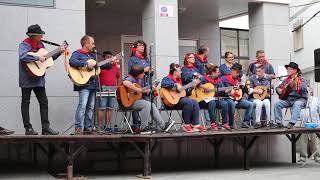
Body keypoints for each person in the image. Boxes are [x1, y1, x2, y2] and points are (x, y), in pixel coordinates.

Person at [18, 24, 63, 135]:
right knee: (26, 102)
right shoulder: (24, 44)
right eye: (40, 35)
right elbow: (23, 56)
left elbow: (47, 59)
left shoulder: (41, 44)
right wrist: (38, 57)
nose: (41, 37)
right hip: (26, 79)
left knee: (44, 103)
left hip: (39, 80)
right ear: (33, 36)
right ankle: (28, 128)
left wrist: (59, 52)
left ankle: (45, 128)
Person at [122, 64, 174, 133]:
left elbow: (139, 91)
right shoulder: (130, 77)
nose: (144, 74)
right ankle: (143, 127)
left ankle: (163, 126)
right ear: (137, 74)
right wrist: (138, 89)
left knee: (152, 105)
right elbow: (125, 82)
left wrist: (149, 89)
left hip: (133, 101)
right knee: (147, 104)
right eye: (142, 73)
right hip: (126, 102)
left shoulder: (138, 80)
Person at [161, 63, 205, 133]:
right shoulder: (167, 78)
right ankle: (186, 124)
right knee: (188, 102)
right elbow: (163, 84)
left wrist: (191, 87)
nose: (181, 72)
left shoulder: (180, 80)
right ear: (175, 71)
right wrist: (175, 85)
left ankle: (195, 124)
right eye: (179, 71)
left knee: (195, 101)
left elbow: (186, 93)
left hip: (179, 100)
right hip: (171, 102)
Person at [69, 35, 97, 135]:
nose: (94, 45)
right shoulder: (77, 53)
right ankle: (78, 128)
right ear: (86, 44)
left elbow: (98, 66)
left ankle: (87, 128)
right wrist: (85, 64)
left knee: (90, 107)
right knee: (82, 106)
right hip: (84, 84)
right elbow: (72, 61)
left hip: (93, 84)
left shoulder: (93, 55)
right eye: (92, 43)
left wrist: (110, 62)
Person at [274, 62, 308, 129]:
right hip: (288, 100)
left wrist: (295, 84)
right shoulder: (286, 80)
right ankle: (279, 123)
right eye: (287, 69)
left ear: (295, 70)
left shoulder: (301, 79)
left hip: (300, 99)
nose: (287, 70)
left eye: (289, 69)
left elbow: (304, 88)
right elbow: (278, 87)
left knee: (297, 104)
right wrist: (278, 89)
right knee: (277, 104)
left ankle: (291, 123)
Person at [220, 63, 253, 128]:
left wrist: (244, 87)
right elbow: (220, 92)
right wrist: (227, 91)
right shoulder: (224, 79)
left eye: (238, 73)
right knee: (232, 104)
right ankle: (231, 124)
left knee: (250, 104)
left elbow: (244, 92)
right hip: (227, 99)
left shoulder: (239, 80)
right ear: (231, 71)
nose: (237, 74)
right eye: (236, 72)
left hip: (238, 99)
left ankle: (246, 122)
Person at [97, 51, 121, 132]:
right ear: (103, 58)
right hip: (102, 88)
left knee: (109, 108)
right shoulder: (101, 65)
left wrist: (117, 87)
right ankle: (99, 127)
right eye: (107, 56)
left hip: (113, 88)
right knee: (101, 107)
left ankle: (107, 126)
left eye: (110, 56)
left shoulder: (114, 66)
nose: (109, 58)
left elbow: (118, 76)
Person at [202, 64, 230, 130]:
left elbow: (222, 90)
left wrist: (226, 91)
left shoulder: (218, 80)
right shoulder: (204, 79)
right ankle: (213, 123)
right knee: (212, 102)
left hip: (215, 99)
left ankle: (224, 123)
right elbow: (197, 84)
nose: (219, 73)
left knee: (224, 103)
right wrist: (203, 87)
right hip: (203, 99)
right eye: (217, 72)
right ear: (213, 73)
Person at [297, 87, 320, 163]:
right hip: (304, 124)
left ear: (311, 91)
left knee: (315, 140)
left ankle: (317, 156)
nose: (306, 92)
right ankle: (303, 157)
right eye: (305, 91)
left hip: (314, 123)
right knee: (303, 141)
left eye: (308, 91)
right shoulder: (300, 101)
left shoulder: (316, 100)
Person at [248, 64, 271, 128]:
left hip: (264, 97)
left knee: (267, 103)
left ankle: (269, 121)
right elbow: (248, 90)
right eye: (256, 71)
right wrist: (256, 91)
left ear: (263, 71)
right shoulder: (252, 78)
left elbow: (271, 91)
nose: (257, 73)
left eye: (259, 71)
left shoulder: (268, 78)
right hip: (253, 98)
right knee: (259, 102)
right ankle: (258, 122)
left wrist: (270, 89)